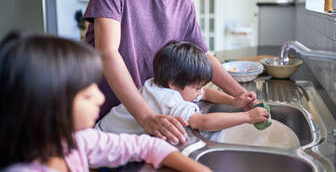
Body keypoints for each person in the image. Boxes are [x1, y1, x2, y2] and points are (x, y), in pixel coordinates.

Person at [83, 0, 257, 145]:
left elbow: (204, 55)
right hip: (104, 124)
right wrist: (146, 117)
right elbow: (107, 52)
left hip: (148, 128)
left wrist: (241, 96)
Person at [0, 32, 211, 172]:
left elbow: (148, 145)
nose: (100, 98)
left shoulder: (78, 142)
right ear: (47, 106)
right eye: (87, 95)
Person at [97, 41, 269, 135]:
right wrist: (247, 116)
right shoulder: (168, 100)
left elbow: (206, 93)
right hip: (104, 145)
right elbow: (203, 122)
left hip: (102, 130)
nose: (199, 91)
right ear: (173, 84)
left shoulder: (159, 83)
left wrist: (233, 101)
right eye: (196, 87)